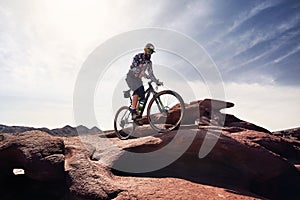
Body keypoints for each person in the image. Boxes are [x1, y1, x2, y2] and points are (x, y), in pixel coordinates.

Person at [126, 43, 162, 120]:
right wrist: (140, 71)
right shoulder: (138, 56)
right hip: (130, 77)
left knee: (142, 97)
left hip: (138, 79)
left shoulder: (149, 63)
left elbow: (151, 73)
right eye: (149, 50)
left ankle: (138, 115)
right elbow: (133, 67)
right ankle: (133, 110)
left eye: (151, 52)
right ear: (145, 50)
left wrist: (156, 81)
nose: (150, 53)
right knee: (137, 90)